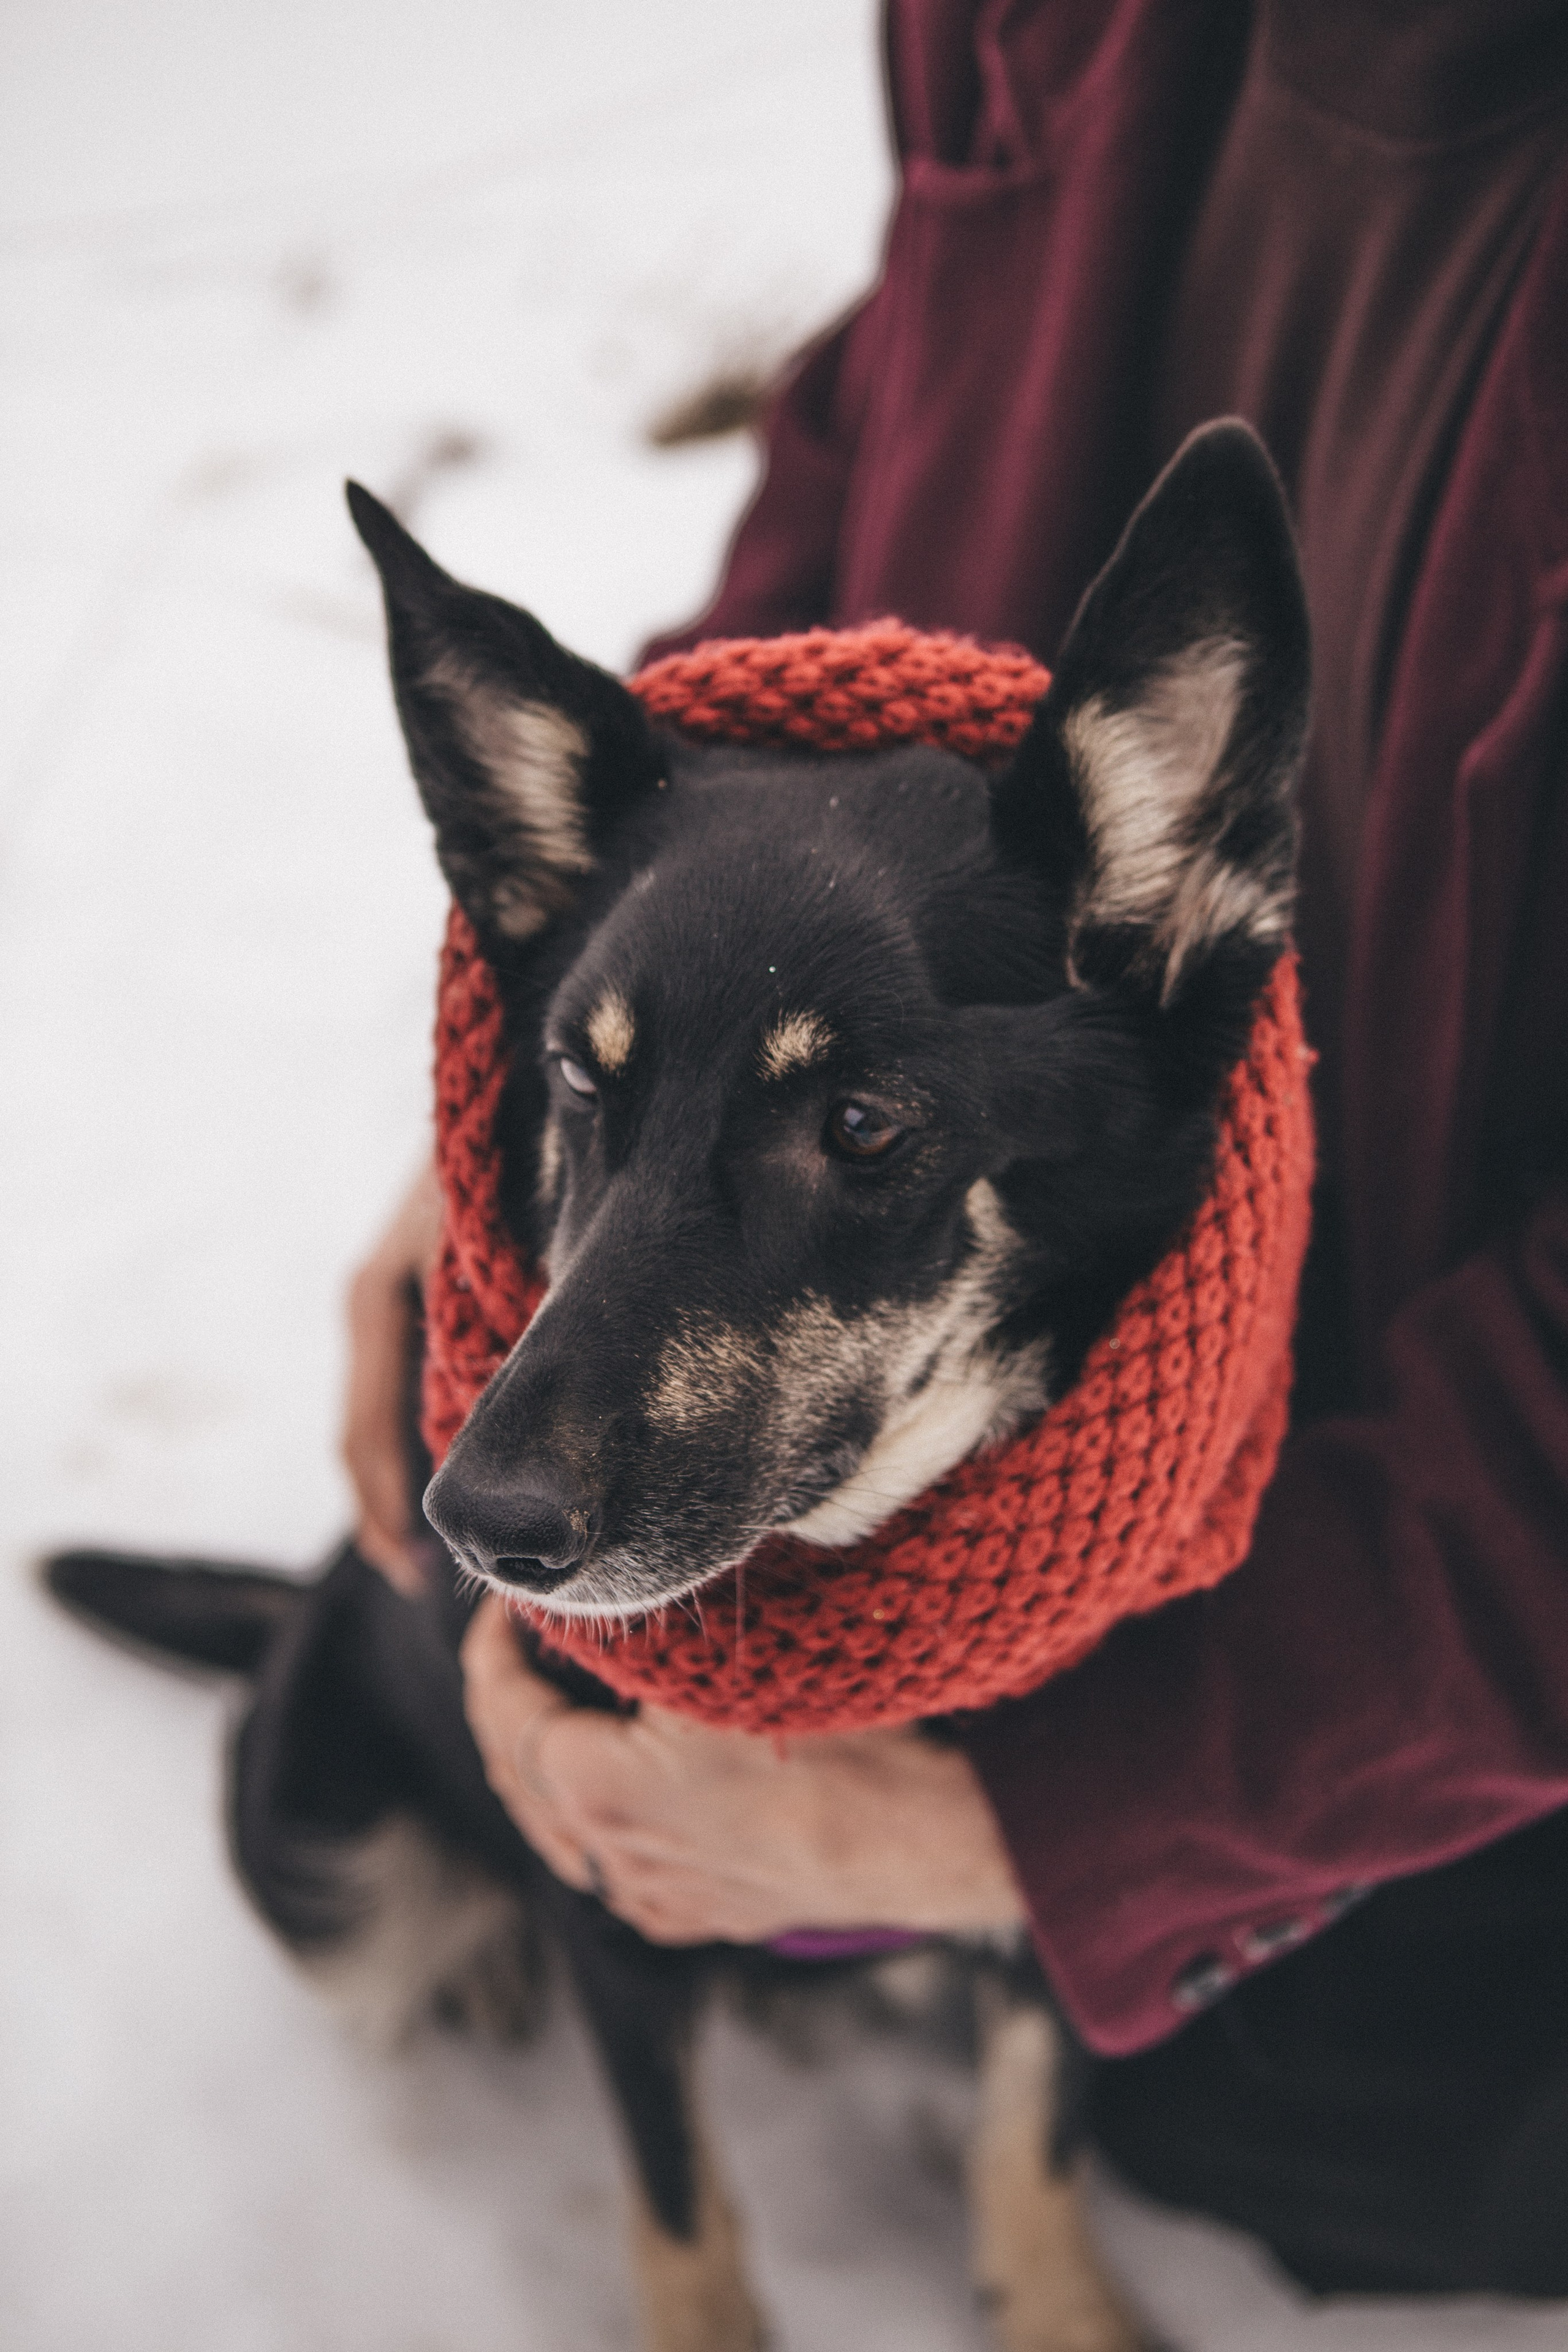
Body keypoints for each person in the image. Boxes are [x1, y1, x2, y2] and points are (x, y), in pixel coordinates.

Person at [343, 0, 1568, 2295]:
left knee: (1350, 2127)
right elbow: (886, 375)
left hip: (1397, 1517)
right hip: (958, 1082)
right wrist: (588, 1010)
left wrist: (1052, 1829)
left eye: (853, 1135)